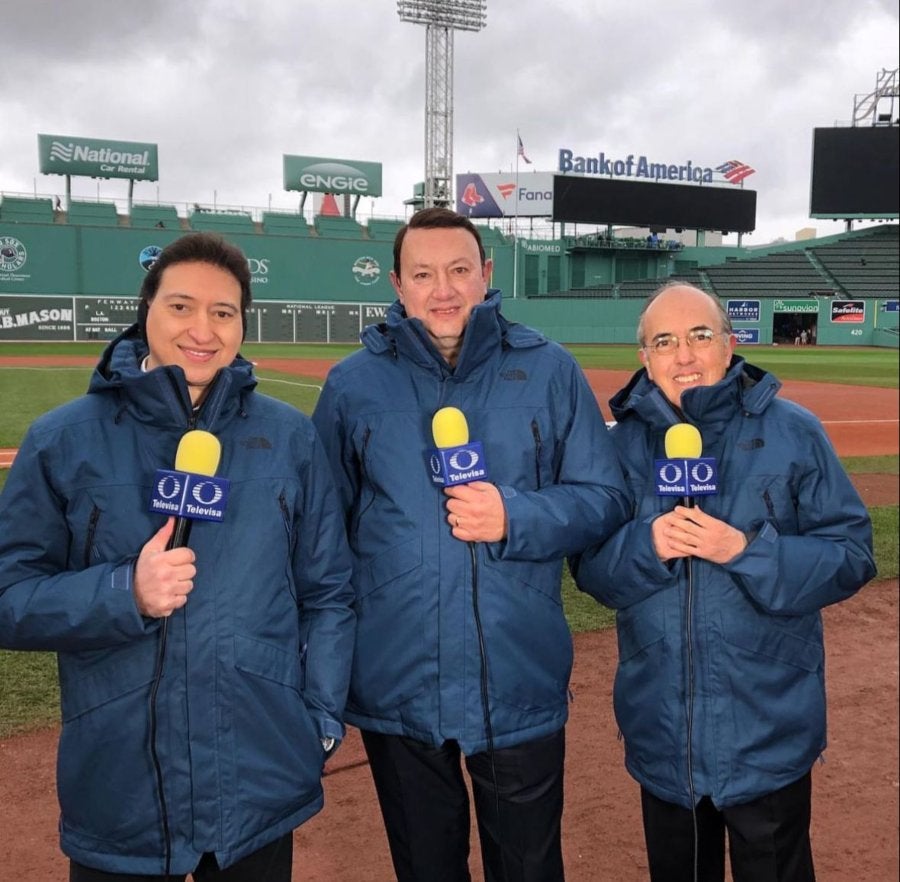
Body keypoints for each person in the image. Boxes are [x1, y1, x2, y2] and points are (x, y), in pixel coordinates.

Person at [0, 232, 356, 881]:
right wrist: (122, 593)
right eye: (182, 307)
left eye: (224, 313)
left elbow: (330, 591)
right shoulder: (61, 442)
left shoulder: (289, 439)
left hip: (258, 781)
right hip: (121, 791)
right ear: (147, 311)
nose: (204, 329)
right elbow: (9, 597)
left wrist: (322, 718)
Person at [311, 207, 630, 882]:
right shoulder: (351, 386)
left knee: (530, 867)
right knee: (427, 869)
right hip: (397, 679)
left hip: (518, 673)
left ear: (486, 274)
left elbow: (605, 497)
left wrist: (516, 515)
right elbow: (322, 534)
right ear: (397, 284)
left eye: (459, 270)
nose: (443, 289)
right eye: (423, 274)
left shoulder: (548, 370)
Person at [571, 282, 876, 882]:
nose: (683, 355)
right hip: (662, 731)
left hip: (768, 730)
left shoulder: (795, 431)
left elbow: (851, 553)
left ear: (729, 344)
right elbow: (590, 572)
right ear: (645, 358)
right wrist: (647, 545)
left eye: (699, 336)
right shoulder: (616, 448)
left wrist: (745, 551)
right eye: (665, 342)